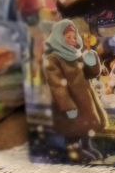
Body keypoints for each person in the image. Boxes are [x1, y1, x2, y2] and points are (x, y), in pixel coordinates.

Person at [42, 19, 107, 162]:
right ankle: (74, 150)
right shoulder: (53, 59)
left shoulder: (76, 55)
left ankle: (86, 146)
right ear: (58, 38)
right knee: (73, 129)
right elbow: (57, 85)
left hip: (84, 100)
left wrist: (91, 61)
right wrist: (68, 106)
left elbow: (91, 73)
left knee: (87, 125)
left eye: (74, 37)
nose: (72, 40)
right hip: (70, 102)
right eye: (68, 37)